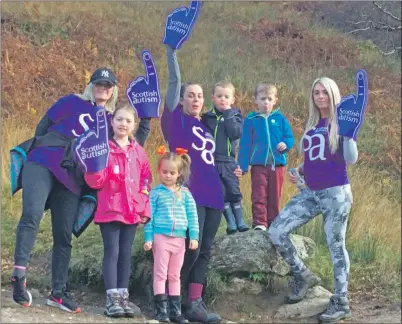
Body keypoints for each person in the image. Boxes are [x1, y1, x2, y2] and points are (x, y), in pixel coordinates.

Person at [10, 67, 151, 313]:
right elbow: (42, 127)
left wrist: (147, 116)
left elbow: (131, 141)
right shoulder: (71, 102)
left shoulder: (112, 120)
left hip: (73, 176)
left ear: (113, 90)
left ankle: (58, 292)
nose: (103, 88)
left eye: (108, 85)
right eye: (99, 83)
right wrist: (49, 151)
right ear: (91, 84)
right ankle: (19, 274)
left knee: (63, 234)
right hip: (43, 159)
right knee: (32, 213)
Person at [161, 44, 242, 323]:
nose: (195, 100)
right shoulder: (176, 122)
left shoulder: (206, 126)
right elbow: (171, 86)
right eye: (190, 96)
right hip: (190, 194)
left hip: (214, 195)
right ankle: (170, 300)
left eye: (199, 96)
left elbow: (225, 151)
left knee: (204, 250)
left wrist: (234, 170)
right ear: (182, 100)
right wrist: (171, 53)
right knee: (187, 247)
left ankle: (194, 303)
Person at [268, 77, 358, 323]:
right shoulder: (313, 124)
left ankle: (341, 301)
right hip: (311, 192)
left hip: (335, 193)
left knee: (335, 245)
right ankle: (303, 275)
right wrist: (300, 171)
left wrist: (348, 136)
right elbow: (314, 158)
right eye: (316, 92)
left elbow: (351, 158)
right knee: (276, 231)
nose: (320, 97)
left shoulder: (342, 123)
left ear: (333, 95)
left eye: (325, 93)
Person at [83, 104, 151, 318]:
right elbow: (94, 180)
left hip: (131, 211)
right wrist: (94, 172)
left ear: (134, 125)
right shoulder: (103, 148)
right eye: (119, 119)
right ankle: (111, 298)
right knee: (112, 252)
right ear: (112, 122)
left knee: (125, 255)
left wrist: (143, 207)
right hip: (110, 209)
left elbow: (145, 179)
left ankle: (124, 297)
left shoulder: (138, 151)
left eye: (128, 121)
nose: (123, 124)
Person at [144, 147, 199, 324]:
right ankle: (162, 311)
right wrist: (148, 238)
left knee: (175, 275)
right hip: (161, 237)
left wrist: (194, 236)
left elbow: (193, 216)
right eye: (164, 172)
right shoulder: (156, 193)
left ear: (179, 173)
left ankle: (175, 312)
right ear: (159, 171)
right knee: (161, 274)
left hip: (180, 239)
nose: (168, 176)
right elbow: (148, 217)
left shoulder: (186, 194)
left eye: (172, 172)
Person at [238, 83, 295, 231]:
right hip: (258, 165)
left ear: (275, 100)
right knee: (259, 194)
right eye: (262, 99)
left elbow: (289, 137)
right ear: (255, 100)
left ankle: (273, 223)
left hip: (277, 165)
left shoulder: (280, 119)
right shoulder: (251, 120)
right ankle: (260, 223)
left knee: (275, 195)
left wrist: (286, 144)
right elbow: (245, 144)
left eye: (269, 99)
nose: (266, 102)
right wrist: (243, 166)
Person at [201, 81, 249, 235]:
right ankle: (230, 223)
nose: (223, 99)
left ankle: (240, 221)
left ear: (232, 100)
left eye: (226, 97)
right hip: (212, 162)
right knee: (221, 194)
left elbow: (236, 133)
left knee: (233, 190)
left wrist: (228, 114)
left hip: (228, 161)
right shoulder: (207, 117)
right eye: (219, 96)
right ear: (213, 98)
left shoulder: (235, 116)